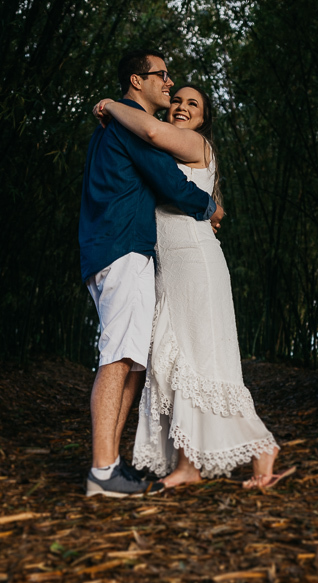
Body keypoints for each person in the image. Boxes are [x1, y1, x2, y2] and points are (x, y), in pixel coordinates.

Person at [93, 85, 294, 490]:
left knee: (203, 359)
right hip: (170, 268)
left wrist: (112, 105)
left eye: (193, 104)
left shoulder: (192, 142)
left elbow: (149, 131)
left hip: (195, 262)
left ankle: (261, 449)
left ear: (203, 119)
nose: (182, 107)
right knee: (174, 363)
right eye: (178, 100)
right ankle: (189, 465)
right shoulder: (163, 156)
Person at [79, 50, 225, 497]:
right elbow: (169, 181)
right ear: (136, 80)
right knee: (118, 359)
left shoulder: (110, 130)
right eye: (162, 75)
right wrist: (209, 206)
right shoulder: (129, 126)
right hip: (123, 250)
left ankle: (112, 464)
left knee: (132, 364)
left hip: (118, 249)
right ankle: (103, 472)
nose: (168, 83)